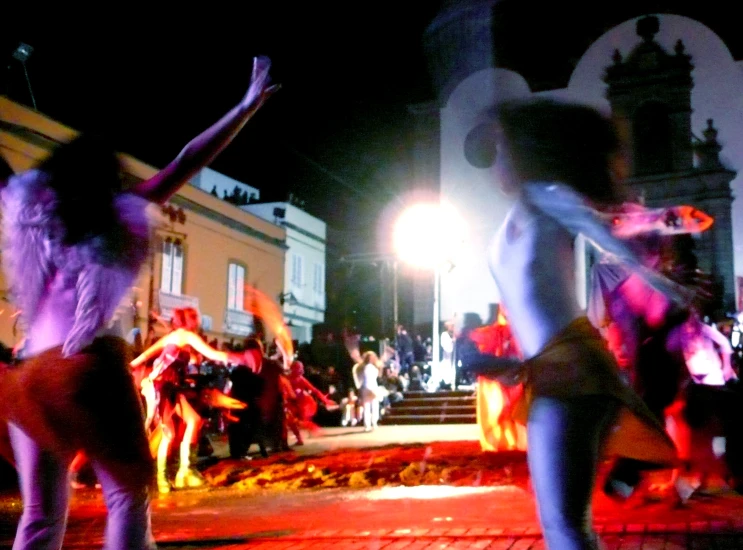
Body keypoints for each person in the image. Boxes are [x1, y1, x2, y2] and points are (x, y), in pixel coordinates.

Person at [0, 56, 277, 549]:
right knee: (128, 498)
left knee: (40, 516)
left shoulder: (31, 211)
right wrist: (243, 109)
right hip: (84, 369)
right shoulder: (118, 214)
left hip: (30, 379)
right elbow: (186, 161)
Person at [480, 99, 684, 549]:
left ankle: (632, 468)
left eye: (501, 148)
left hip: (571, 370)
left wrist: (657, 246)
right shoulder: (527, 207)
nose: (495, 161)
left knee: (565, 527)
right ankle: (629, 470)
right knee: (566, 525)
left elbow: (607, 229)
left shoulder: (548, 196)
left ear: (527, 153)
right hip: (557, 368)